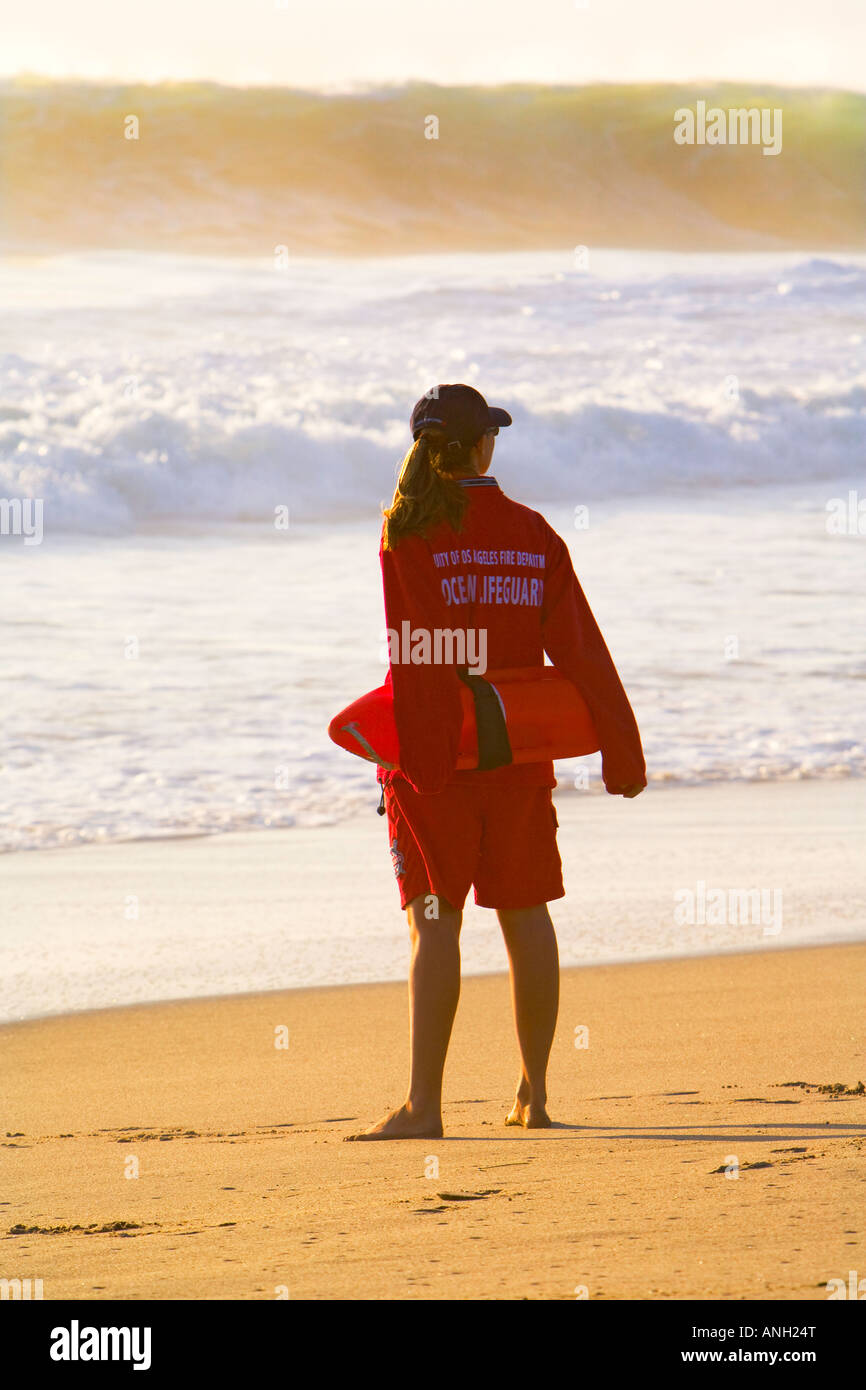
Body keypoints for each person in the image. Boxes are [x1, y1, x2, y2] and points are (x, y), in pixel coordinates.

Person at [346, 384, 645, 1142]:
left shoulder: (406, 531)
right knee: (525, 913)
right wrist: (622, 748)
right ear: (483, 446)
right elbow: (581, 649)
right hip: (515, 756)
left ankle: (424, 1108)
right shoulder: (533, 534)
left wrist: (419, 768)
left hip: (435, 758)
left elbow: (414, 652)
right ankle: (535, 1096)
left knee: (435, 923)